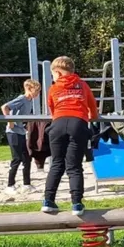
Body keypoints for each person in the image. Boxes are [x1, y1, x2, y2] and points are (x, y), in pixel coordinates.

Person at [42, 56, 99, 215]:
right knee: (74, 167)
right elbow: (93, 108)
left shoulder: (54, 88)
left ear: (58, 73)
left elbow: (52, 109)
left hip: (58, 124)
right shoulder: (82, 85)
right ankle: (76, 204)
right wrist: (92, 117)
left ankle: (48, 200)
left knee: (57, 163)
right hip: (78, 124)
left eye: (53, 74)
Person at [1, 79, 41, 195]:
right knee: (17, 158)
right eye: (36, 91)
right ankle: (10, 185)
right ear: (29, 89)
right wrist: (10, 121)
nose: (38, 94)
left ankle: (26, 184)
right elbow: (5, 107)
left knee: (27, 158)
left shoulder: (29, 101)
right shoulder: (22, 99)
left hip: (21, 132)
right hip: (13, 132)